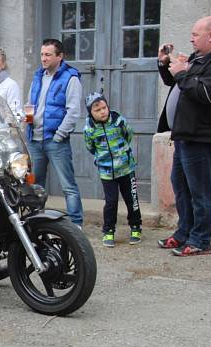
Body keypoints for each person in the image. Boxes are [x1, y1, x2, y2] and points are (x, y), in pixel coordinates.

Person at [156, 16, 211, 257]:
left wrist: (184, 74)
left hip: (202, 135)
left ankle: (201, 240)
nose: (191, 38)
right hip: (184, 134)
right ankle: (183, 234)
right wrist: (165, 64)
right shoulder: (199, 57)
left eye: (195, 34)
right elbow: (175, 82)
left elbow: (206, 93)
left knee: (200, 190)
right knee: (181, 186)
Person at [26, 38, 84, 227]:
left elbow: (73, 111)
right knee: (36, 187)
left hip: (55, 141)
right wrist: (26, 118)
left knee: (68, 186)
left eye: (48, 55)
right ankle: (36, 221)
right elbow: (30, 104)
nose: (43, 58)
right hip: (35, 140)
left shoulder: (70, 78)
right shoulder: (38, 76)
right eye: (42, 54)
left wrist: (59, 135)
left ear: (60, 57)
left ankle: (76, 224)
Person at [83, 92, 141, 248]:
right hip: (107, 172)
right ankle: (108, 231)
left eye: (104, 108)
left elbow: (129, 135)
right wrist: (103, 159)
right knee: (111, 202)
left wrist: (122, 154)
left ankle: (136, 227)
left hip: (126, 168)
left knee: (131, 198)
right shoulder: (89, 129)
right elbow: (90, 147)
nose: (102, 112)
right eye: (97, 110)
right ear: (90, 113)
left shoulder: (118, 121)